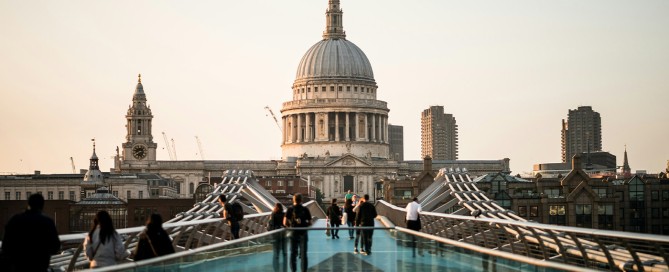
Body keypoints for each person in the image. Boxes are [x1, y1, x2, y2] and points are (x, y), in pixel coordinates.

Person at [1, 194, 60, 272]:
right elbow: (55, 247)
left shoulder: (14, 219)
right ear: (42, 206)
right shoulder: (47, 222)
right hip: (39, 266)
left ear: (28, 204)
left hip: (18, 267)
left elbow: (5, 246)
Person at [283, 193, 312, 272]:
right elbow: (310, 222)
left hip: (293, 232)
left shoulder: (290, 209)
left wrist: (290, 227)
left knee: (293, 253)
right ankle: (303, 270)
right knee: (303, 254)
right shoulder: (305, 209)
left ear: (293, 200)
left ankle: (293, 270)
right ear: (301, 200)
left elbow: (285, 222)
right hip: (303, 232)